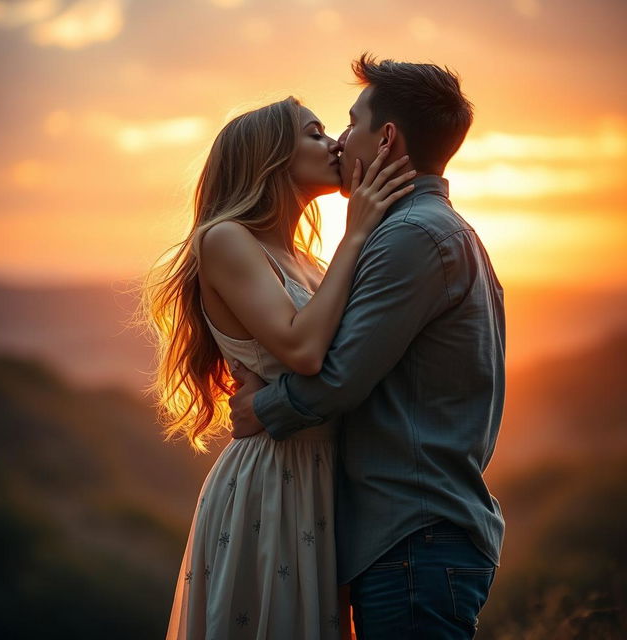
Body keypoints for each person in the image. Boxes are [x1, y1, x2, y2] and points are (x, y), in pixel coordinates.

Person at [229, 55, 506, 639]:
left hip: (414, 536)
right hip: (416, 536)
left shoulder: (410, 237)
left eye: (350, 124)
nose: (341, 140)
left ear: (386, 137)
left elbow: (341, 375)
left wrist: (264, 407)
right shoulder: (431, 230)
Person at [141, 96, 416, 639]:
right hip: (274, 477)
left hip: (325, 476)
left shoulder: (307, 261)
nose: (335, 142)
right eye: (315, 133)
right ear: (269, 156)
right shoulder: (225, 239)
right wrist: (355, 233)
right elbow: (304, 351)